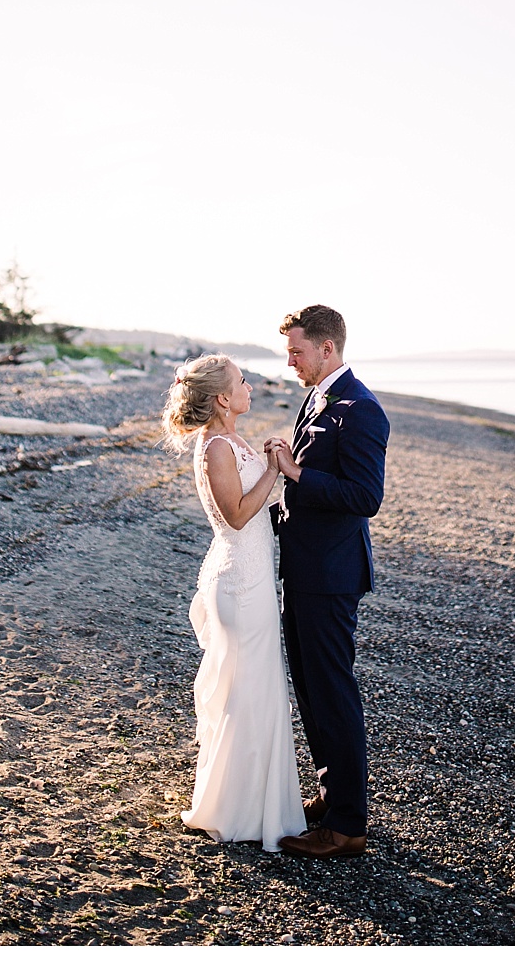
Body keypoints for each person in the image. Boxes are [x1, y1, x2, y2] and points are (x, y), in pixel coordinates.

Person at [162, 354, 307, 853]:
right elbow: (240, 514)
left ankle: (252, 802)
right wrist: (273, 471)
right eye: (243, 381)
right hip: (241, 587)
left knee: (256, 692)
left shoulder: (232, 439)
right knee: (250, 694)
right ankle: (240, 811)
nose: (250, 386)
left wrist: (274, 461)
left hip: (253, 580)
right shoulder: (216, 448)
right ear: (224, 398)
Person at [265, 304, 390, 859]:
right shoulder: (316, 397)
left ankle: (347, 826)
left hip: (332, 575)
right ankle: (331, 793)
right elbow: (313, 488)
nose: (290, 361)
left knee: (333, 695)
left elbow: (365, 498)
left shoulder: (361, 410)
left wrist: (296, 473)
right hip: (305, 567)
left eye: (296, 351)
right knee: (312, 693)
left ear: (327, 349)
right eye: (289, 351)